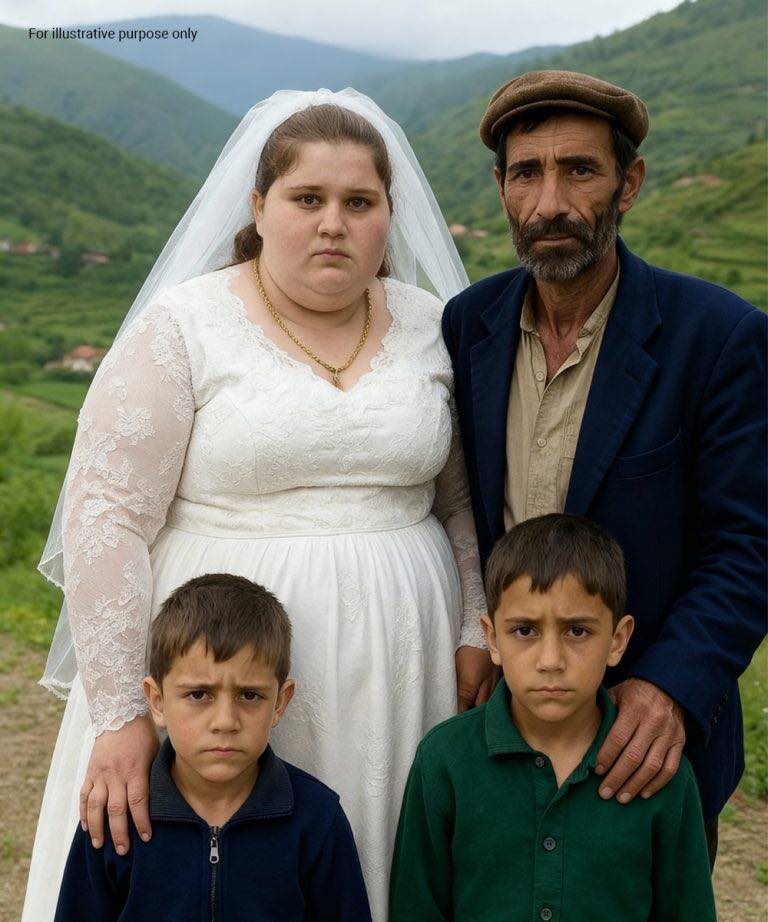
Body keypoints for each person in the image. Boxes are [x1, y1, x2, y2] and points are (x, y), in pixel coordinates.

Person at [25, 89, 494, 922]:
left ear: (390, 215)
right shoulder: (185, 326)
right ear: (258, 206)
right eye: (307, 198)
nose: (333, 223)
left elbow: (459, 502)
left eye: (359, 202)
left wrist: (470, 626)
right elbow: (106, 520)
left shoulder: (432, 326)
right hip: (219, 664)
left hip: (402, 668)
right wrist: (123, 715)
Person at [441, 70, 767, 862]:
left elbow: (750, 544)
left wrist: (671, 687)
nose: (549, 202)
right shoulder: (468, 325)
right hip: (502, 734)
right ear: (501, 188)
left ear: (630, 182)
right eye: (527, 173)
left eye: (580, 170)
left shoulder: (717, 336)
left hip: (643, 749)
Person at [389, 513, 717, 921]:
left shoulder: (657, 771)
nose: (550, 660)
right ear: (492, 639)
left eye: (577, 631)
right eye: (525, 630)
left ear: (618, 640)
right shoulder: (444, 760)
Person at [55, 573, 371, 921]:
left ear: (280, 703)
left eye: (249, 695)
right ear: (157, 701)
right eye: (198, 694)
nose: (225, 721)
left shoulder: (317, 818)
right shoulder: (117, 817)